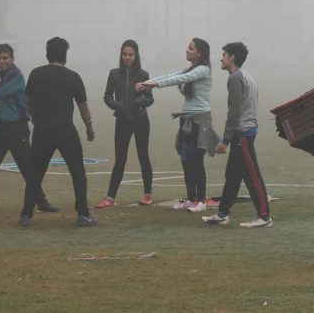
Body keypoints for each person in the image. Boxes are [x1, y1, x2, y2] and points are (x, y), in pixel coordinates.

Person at [0, 43, 59, 215]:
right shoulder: (4, 78)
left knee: (27, 168)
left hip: (18, 128)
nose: (1, 61)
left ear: (12, 59)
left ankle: (41, 202)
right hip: (1, 128)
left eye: (5, 58)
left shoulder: (16, 77)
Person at [19, 37, 97, 227]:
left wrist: (35, 116)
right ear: (65, 55)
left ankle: (26, 215)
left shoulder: (36, 74)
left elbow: (28, 100)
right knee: (77, 172)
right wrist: (89, 128)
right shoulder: (73, 77)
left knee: (36, 173)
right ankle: (83, 214)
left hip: (42, 130)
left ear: (47, 53)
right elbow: (83, 107)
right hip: (65, 130)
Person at [136, 38, 219, 213]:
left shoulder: (203, 70)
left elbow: (181, 78)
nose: (186, 51)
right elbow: (171, 76)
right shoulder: (191, 68)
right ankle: (190, 198)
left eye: (190, 48)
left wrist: (155, 84)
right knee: (186, 158)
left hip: (200, 119)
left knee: (197, 159)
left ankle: (201, 200)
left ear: (200, 53)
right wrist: (148, 82)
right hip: (186, 118)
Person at [202, 42, 272, 228]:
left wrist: (225, 140)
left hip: (243, 134)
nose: (221, 58)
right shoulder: (246, 76)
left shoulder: (235, 78)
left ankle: (264, 217)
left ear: (232, 57)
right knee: (232, 175)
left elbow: (234, 112)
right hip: (245, 131)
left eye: (224, 54)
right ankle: (222, 213)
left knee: (252, 175)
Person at [96, 40, 155, 209]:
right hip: (122, 121)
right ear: (121, 55)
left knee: (143, 156)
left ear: (136, 56)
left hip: (141, 121)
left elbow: (150, 98)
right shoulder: (114, 74)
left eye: (130, 54)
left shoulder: (143, 74)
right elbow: (107, 96)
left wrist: (138, 102)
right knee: (120, 159)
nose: (127, 57)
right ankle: (110, 198)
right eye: (125, 54)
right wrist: (118, 105)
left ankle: (148, 194)